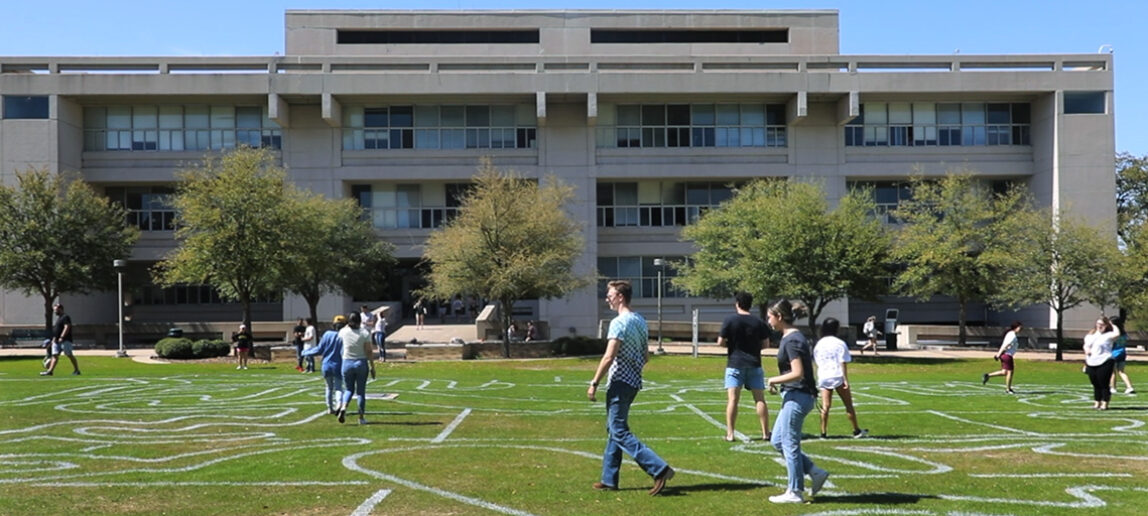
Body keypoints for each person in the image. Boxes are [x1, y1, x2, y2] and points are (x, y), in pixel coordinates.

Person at [587, 280, 674, 496]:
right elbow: (646, 356)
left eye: (610, 295)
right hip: (634, 382)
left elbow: (609, 356)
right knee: (614, 429)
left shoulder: (619, 323)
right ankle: (609, 479)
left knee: (618, 430)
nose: (607, 298)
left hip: (619, 382)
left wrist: (594, 382)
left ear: (620, 297)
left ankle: (659, 469)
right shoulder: (640, 321)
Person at [765, 299, 829, 504]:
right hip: (795, 396)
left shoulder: (792, 340)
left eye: (769, 316)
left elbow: (798, 373)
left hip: (798, 396)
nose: (768, 320)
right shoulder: (791, 337)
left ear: (779, 317)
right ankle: (814, 471)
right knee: (777, 440)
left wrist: (773, 379)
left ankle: (795, 491)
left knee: (790, 444)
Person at [716, 291, 771, 443]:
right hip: (754, 363)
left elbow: (720, 342)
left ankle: (730, 434)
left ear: (737, 303)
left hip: (735, 363)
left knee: (733, 400)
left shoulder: (730, 320)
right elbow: (766, 344)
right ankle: (766, 433)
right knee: (760, 399)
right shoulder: (758, 322)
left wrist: (732, 346)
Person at [813, 317, 867, 439]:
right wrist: (845, 379)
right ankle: (856, 430)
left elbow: (817, 361)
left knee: (825, 406)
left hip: (824, 376)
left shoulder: (819, 344)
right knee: (848, 404)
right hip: (837, 376)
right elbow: (843, 362)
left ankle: (823, 432)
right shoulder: (840, 343)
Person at [337, 312, 376, 425]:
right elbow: (369, 351)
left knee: (348, 389)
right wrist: (372, 367)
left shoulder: (344, 332)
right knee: (360, 392)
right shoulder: (364, 332)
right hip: (360, 362)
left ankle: (344, 406)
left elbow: (341, 336)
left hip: (346, 362)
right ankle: (361, 417)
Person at [303, 315, 346, 414]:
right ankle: (339, 403)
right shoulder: (344, 336)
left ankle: (330, 408)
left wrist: (305, 352)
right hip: (338, 365)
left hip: (326, 365)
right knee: (339, 387)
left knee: (329, 387)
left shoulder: (327, 334)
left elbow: (319, 349)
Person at [1083, 316, 1120, 410]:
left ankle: (1105, 403)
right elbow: (1086, 345)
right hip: (1091, 362)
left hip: (1105, 361)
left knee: (1103, 383)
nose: (1100, 326)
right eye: (1098, 324)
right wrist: (1086, 350)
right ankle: (1097, 402)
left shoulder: (1109, 335)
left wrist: (1112, 324)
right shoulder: (1090, 336)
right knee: (1095, 383)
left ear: (1106, 325)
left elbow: (1117, 334)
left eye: (1102, 324)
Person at [982, 321, 1022, 394]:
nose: (1020, 329)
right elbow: (1005, 345)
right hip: (1007, 355)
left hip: (1005, 355)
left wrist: (999, 354)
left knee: (1004, 372)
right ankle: (1008, 389)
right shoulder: (1012, 335)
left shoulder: (1010, 334)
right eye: (1019, 327)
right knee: (1010, 372)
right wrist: (998, 354)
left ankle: (988, 375)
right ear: (1015, 327)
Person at [41, 303, 80, 376]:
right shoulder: (59, 318)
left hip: (65, 340)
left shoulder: (65, 317)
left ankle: (77, 370)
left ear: (61, 309)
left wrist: (62, 337)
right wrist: (54, 339)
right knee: (54, 355)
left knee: (69, 355)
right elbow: (57, 330)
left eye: (56, 310)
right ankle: (50, 371)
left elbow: (67, 327)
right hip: (56, 340)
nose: (55, 312)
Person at [1109, 318, 1136, 395]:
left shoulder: (1114, 334)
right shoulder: (1124, 333)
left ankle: (1113, 388)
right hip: (1122, 353)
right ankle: (1129, 387)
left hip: (1114, 353)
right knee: (1121, 371)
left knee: (1112, 372)